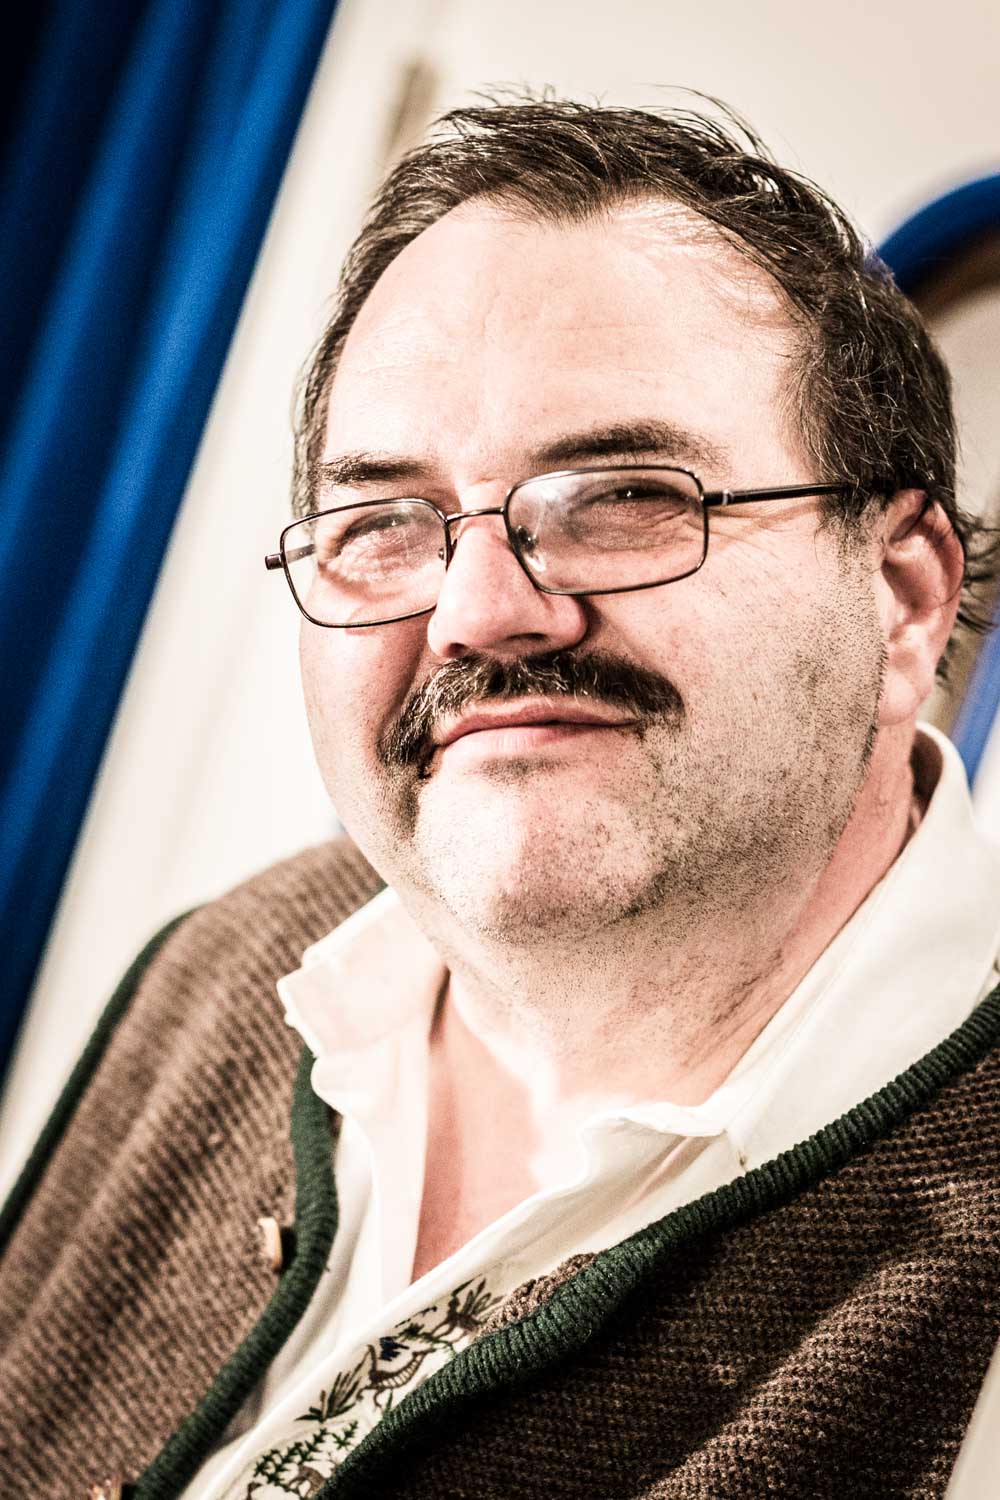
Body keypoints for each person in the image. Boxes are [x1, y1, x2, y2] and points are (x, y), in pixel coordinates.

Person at [1, 95, 999, 1500]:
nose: (479, 611)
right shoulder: (225, 971)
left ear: (900, 602)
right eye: (383, 524)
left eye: (626, 496)